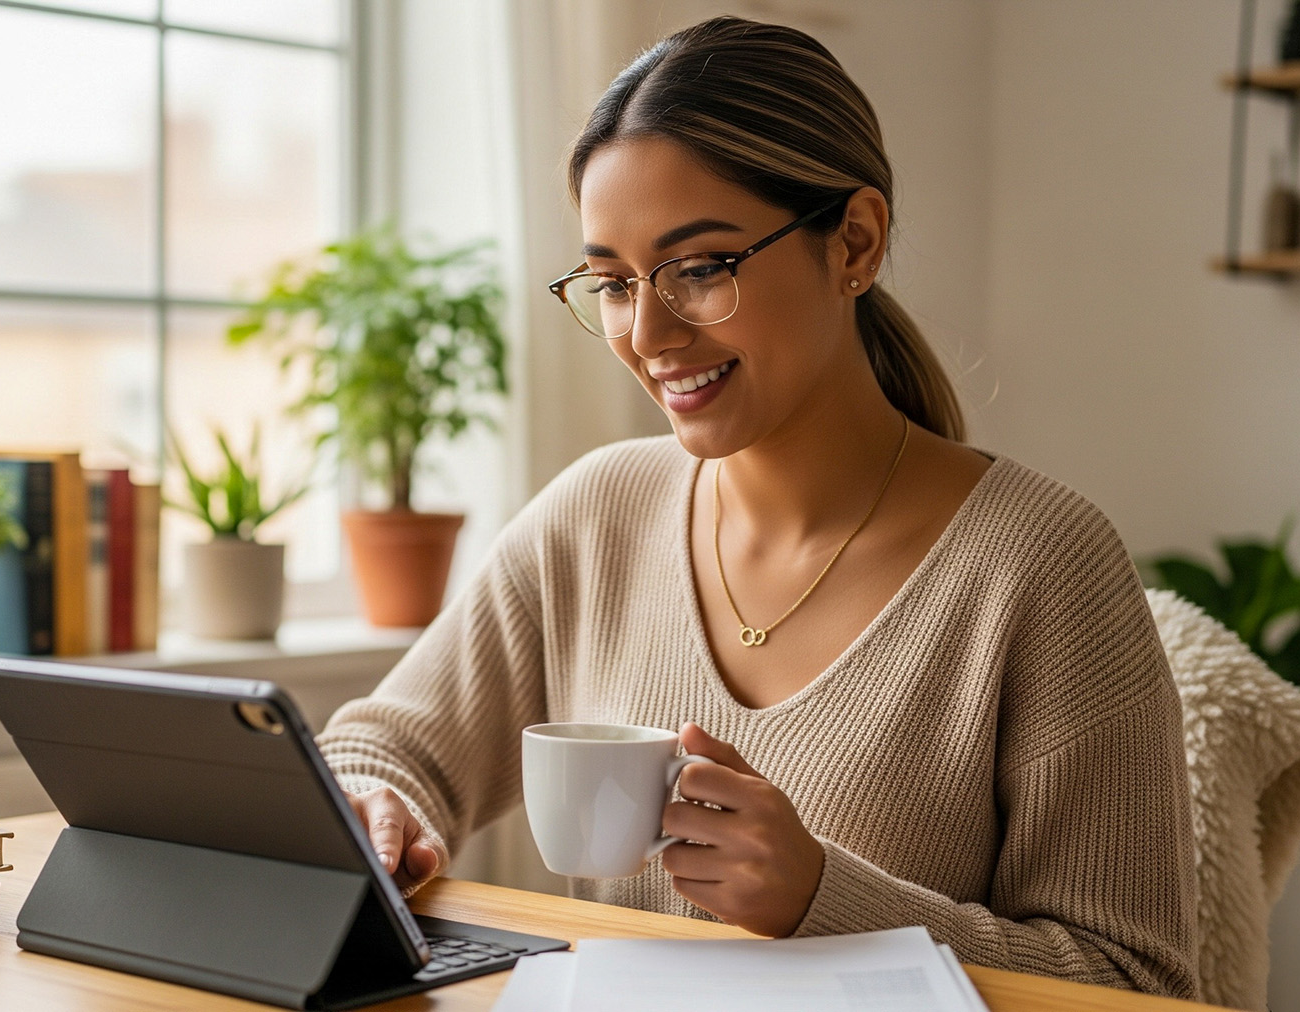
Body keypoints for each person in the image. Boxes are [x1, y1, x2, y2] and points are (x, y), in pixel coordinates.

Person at [319, 15, 1198, 999]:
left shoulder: (1041, 562)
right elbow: (384, 744)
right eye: (612, 281)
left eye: (701, 267)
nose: (647, 332)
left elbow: (1140, 983)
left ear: (854, 243)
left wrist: (825, 897)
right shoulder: (596, 514)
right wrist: (377, 802)